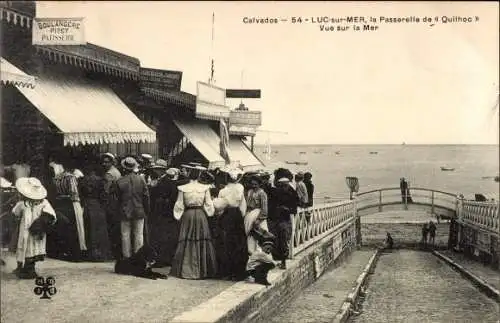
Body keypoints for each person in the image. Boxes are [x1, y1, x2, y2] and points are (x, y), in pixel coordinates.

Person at [170, 165, 218, 279]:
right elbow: (209, 204)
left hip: (188, 215)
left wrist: (178, 216)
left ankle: (186, 270)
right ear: (200, 175)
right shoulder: (205, 188)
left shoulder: (183, 188)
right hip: (200, 215)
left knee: (187, 240)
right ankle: (202, 270)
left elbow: (179, 204)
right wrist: (210, 213)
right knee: (201, 239)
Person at [11, 177, 56, 279]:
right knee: (34, 248)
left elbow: (15, 213)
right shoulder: (44, 202)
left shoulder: (22, 204)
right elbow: (52, 214)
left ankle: (24, 269)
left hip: (26, 229)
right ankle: (29, 268)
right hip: (37, 230)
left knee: (24, 247)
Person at [46, 160, 87, 261]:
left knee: (64, 227)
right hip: (72, 203)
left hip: (61, 203)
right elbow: (73, 192)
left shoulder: (56, 178)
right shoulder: (71, 177)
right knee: (76, 226)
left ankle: (64, 250)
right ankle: (75, 252)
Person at [112, 157, 150, 259]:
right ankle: (139, 257)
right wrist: (146, 210)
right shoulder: (141, 180)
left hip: (125, 210)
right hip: (139, 210)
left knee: (125, 235)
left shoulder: (120, 181)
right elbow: (146, 196)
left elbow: (117, 199)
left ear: (124, 168)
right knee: (139, 234)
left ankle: (127, 258)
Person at [213, 169, 249, 281]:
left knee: (225, 242)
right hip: (237, 216)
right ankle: (238, 271)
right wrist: (242, 216)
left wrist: (219, 216)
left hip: (227, 215)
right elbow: (243, 206)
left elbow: (219, 208)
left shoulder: (223, 191)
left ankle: (225, 270)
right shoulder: (240, 188)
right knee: (238, 242)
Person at [78, 163, 112, 261]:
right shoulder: (100, 180)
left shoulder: (82, 180)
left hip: (86, 205)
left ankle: (89, 254)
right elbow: (104, 195)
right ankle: (100, 254)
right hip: (98, 206)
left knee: (88, 229)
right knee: (99, 231)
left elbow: (80, 194)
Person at [149, 167, 179, 267]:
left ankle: (159, 259)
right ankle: (168, 259)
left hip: (159, 213)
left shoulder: (159, 183)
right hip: (170, 214)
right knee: (170, 237)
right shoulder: (175, 185)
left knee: (159, 236)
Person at [271, 177, 299, 269]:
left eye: (285, 185)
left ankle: (283, 261)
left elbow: (294, 208)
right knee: (279, 240)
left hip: (285, 219)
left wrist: (286, 209)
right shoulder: (278, 193)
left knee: (283, 240)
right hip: (279, 219)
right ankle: (281, 261)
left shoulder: (291, 193)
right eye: (282, 185)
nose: (284, 187)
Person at [100, 153, 122, 259]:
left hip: (111, 201)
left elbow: (106, 190)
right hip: (116, 201)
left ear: (111, 162)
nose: (104, 164)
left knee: (110, 226)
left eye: (106, 162)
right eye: (103, 162)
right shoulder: (116, 171)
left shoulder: (109, 174)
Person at [244, 176, 269, 255]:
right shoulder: (250, 192)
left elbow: (264, 208)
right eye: (252, 184)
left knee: (259, 234)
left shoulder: (262, 193)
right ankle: (252, 253)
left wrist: (259, 219)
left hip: (258, 215)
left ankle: (260, 256)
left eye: (255, 184)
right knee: (250, 235)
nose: (254, 186)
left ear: (259, 184)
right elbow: (247, 204)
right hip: (250, 215)